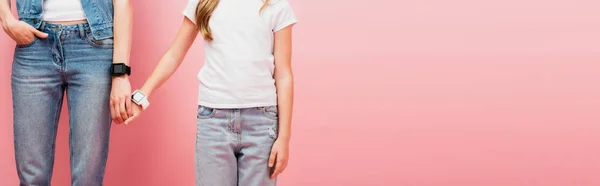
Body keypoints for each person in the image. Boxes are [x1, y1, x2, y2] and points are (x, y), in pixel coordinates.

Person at [124, 0, 297, 185]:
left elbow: (283, 74)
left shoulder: (275, 4)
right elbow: (175, 53)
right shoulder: (203, 2)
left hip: (262, 124)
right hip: (214, 121)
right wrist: (142, 95)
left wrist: (284, 137)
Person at [0, 0, 133, 185]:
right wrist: (6, 18)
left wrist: (120, 73)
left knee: (88, 179)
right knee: (32, 179)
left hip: (94, 48)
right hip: (34, 49)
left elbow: (122, 3)